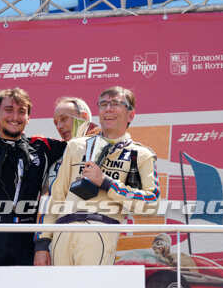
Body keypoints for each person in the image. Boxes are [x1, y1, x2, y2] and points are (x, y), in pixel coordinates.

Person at [34, 86, 160, 266]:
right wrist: (42, 244)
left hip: (99, 230)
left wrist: (107, 183)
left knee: (89, 285)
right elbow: (56, 197)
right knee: (58, 285)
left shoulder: (141, 155)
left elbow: (151, 202)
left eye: (115, 104)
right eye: (103, 104)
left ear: (131, 115)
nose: (108, 109)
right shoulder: (76, 146)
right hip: (62, 231)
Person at [0, 88, 66, 266]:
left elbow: (80, 145)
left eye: (21, 111)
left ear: (29, 117)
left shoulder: (42, 147)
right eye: (8, 110)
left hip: (27, 241)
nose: (15, 117)